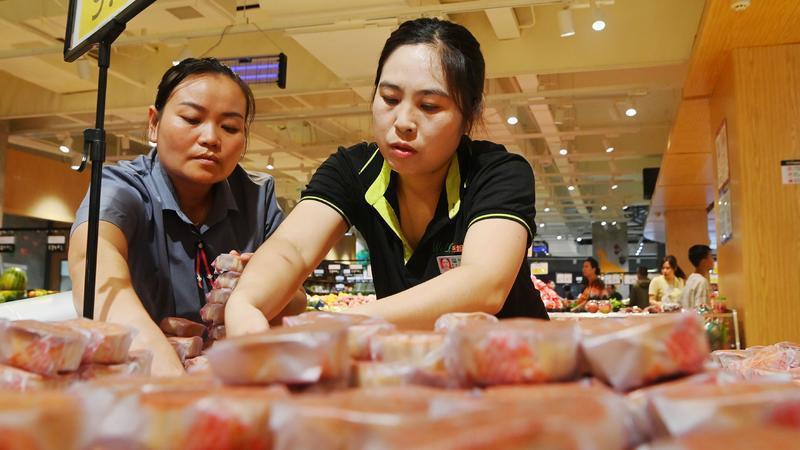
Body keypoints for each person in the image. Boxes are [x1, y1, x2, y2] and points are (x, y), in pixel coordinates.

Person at [226, 18, 548, 334]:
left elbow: (484, 284)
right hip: (415, 362)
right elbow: (291, 249)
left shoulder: (496, 172)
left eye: (430, 105)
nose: (403, 121)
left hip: (518, 360)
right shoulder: (353, 169)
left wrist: (339, 324)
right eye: (390, 99)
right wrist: (245, 304)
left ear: (469, 115)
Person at [68, 58, 306, 375]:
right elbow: (93, 268)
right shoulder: (121, 189)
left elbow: (298, 299)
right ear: (154, 123)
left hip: (235, 377)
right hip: (144, 382)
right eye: (192, 119)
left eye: (230, 127)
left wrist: (256, 290)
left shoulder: (258, 197)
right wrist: (161, 362)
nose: (211, 138)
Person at [681, 244, 713, 309]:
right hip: (696, 316)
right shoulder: (701, 281)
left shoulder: (691, 278)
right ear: (703, 262)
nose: (712, 260)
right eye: (711, 257)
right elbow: (701, 309)